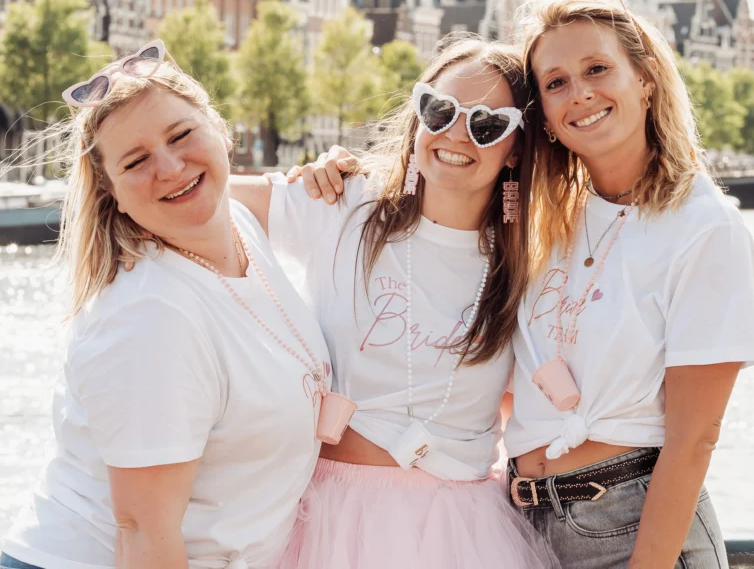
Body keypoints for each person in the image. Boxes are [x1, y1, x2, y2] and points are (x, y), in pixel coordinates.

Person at [0, 41, 329, 569]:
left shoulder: (235, 223)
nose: (171, 168)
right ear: (111, 194)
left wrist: (335, 169)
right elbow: (141, 532)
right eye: (136, 161)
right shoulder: (151, 317)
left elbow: (347, 198)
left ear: (220, 129)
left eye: (181, 134)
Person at [230, 36, 558, 569]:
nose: (456, 135)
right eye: (440, 110)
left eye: (487, 125)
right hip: (325, 521)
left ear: (516, 147)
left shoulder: (531, 265)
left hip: (462, 534)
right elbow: (199, 200)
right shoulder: (343, 206)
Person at [503, 0, 754, 568]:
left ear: (644, 79)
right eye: (556, 82)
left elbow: (695, 440)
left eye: (597, 68)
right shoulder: (546, 224)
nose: (580, 93)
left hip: (632, 528)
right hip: (521, 527)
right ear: (542, 114)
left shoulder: (703, 228)